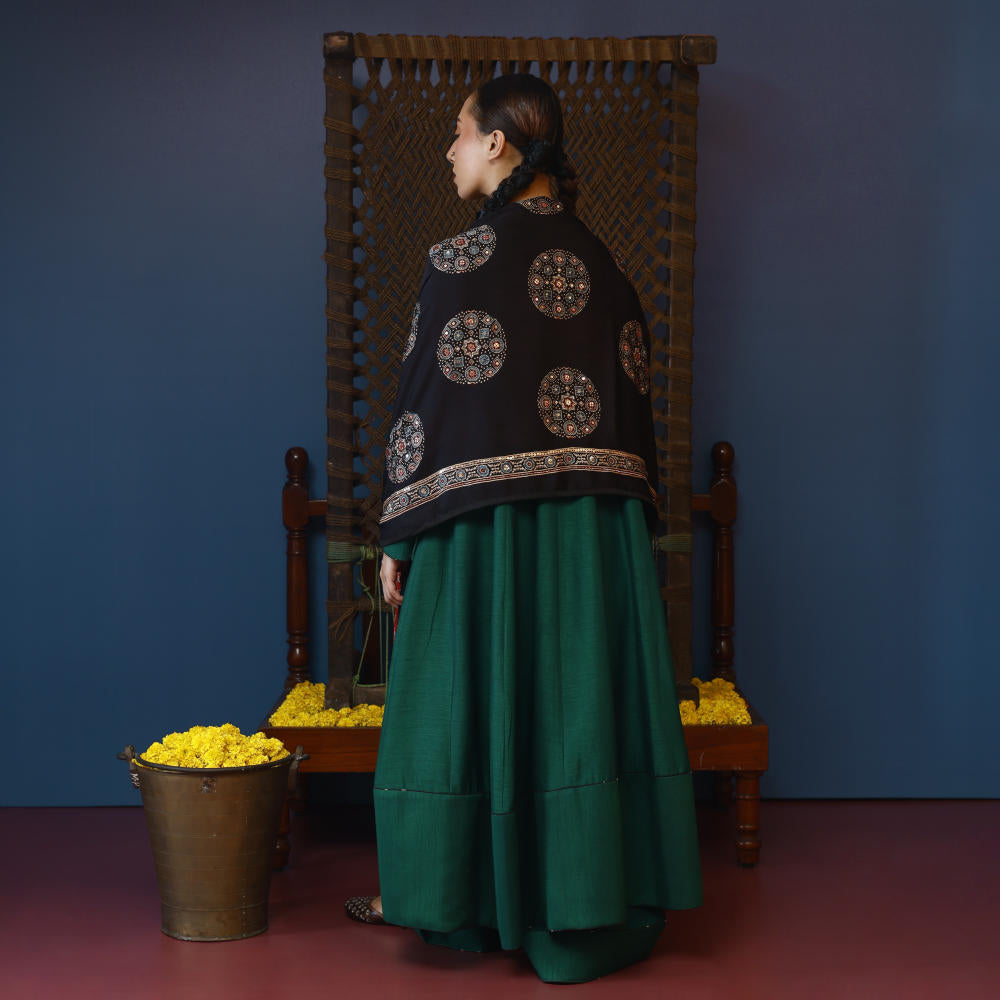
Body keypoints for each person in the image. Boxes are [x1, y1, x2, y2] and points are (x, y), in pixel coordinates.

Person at [343, 73, 703, 984]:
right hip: (591, 542)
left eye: (460, 134)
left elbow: (423, 412)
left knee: (465, 702)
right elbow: (634, 428)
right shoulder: (610, 273)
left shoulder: (456, 262)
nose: (451, 151)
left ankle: (464, 898)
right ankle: (584, 899)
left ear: (498, 143)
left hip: (480, 540)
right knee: (575, 705)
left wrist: (398, 541)